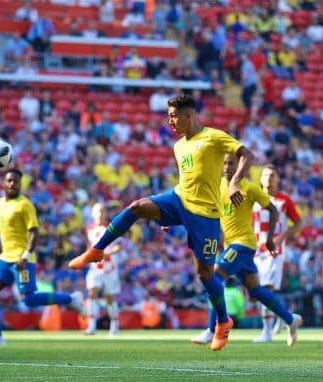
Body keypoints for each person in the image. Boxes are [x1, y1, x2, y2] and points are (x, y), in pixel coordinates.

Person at [70, 94, 254, 351]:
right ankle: (96, 249)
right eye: (168, 116)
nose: (169, 121)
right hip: (179, 199)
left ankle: (223, 322)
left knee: (205, 275)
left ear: (189, 116)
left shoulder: (213, 136)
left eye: (173, 116)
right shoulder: (178, 146)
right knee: (136, 207)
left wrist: (234, 182)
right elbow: (186, 182)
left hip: (206, 214)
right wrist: (166, 214)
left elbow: (246, 153)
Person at [0, 169, 84, 347]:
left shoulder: (25, 205)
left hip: (22, 259)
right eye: (9, 181)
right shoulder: (0, 203)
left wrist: (26, 256)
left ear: (20, 184)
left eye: (16, 182)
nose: (12, 184)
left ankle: (71, 299)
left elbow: (35, 233)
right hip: (5, 257)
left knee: (28, 299)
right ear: (4, 183)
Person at [191, 155, 302, 347]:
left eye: (231, 163)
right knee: (256, 290)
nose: (226, 167)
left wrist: (269, 238)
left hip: (244, 244)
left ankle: (212, 329)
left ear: (240, 166)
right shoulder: (218, 187)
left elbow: (274, 211)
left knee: (213, 278)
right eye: (224, 163)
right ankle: (291, 320)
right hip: (234, 246)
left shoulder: (249, 188)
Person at [252, 165, 302, 342]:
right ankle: (284, 316)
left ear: (277, 179)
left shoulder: (284, 200)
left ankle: (267, 332)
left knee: (265, 288)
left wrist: (282, 237)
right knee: (258, 290)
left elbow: (298, 223)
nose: (268, 178)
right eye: (265, 175)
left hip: (275, 250)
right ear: (260, 178)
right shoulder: (254, 198)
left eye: (272, 175)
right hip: (257, 250)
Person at [84, 203, 122, 336]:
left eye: (102, 211)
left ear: (106, 213)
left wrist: (106, 254)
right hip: (95, 267)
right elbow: (89, 247)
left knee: (109, 298)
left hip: (109, 268)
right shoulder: (89, 229)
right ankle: (91, 326)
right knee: (92, 293)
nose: (100, 214)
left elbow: (119, 246)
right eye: (97, 212)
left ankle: (115, 325)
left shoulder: (111, 228)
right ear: (92, 214)